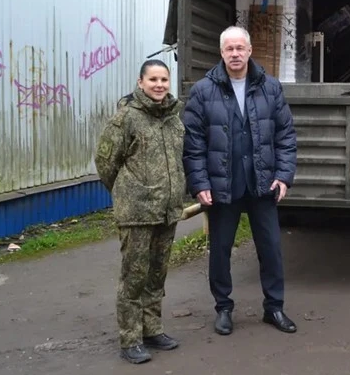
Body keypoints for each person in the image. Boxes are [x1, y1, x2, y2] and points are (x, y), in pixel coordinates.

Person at [182, 26, 298, 336]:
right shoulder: (203, 91)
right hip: (222, 186)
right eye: (229, 48)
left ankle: (274, 307)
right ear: (221, 53)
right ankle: (223, 308)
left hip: (262, 184)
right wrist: (200, 184)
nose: (235, 53)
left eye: (240, 48)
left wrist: (283, 176)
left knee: (271, 248)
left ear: (249, 51)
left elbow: (285, 135)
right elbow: (193, 145)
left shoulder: (269, 88)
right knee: (220, 250)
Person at [95, 59, 187, 364]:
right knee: (134, 276)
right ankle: (130, 338)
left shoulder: (174, 118)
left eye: (164, 79)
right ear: (140, 82)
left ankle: (153, 329)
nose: (159, 85)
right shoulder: (126, 118)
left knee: (157, 274)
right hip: (136, 212)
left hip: (167, 211)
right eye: (153, 80)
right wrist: (127, 191)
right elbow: (106, 162)